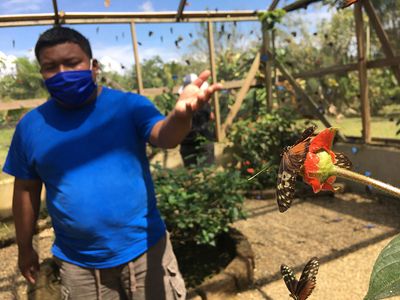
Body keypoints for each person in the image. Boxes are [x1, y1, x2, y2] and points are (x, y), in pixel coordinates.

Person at [3, 26, 222, 299]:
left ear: (93, 66)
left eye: (72, 63)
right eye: (50, 67)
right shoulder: (30, 127)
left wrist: (180, 117)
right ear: (42, 74)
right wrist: (25, 248)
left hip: (145, 251)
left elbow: (164, 137)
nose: (62, 73)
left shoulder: (129, 106)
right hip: (78, 264)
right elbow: (25, 190)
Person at [178, 74, 215, 167]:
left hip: (186, 142)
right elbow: (211, 117)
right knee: (208, 172)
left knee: (191, 174)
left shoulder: (180, 105)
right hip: (204, 139)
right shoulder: (204, 103)